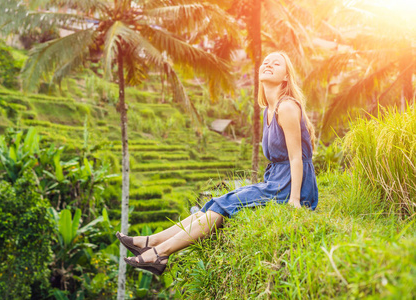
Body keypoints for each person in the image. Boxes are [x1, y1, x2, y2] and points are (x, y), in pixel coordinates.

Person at [117, 51, 318, 276]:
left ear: (286, 77)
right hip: (276, 181)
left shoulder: (287, 107)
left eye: (276, 63)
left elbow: (296, 157)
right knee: (214, 204)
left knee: (224, 205)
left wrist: (294, 200)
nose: (268, 65)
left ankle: (160, 252)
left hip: (291, 185)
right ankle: (150, 241)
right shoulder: (268, 111)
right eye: (265, 62)